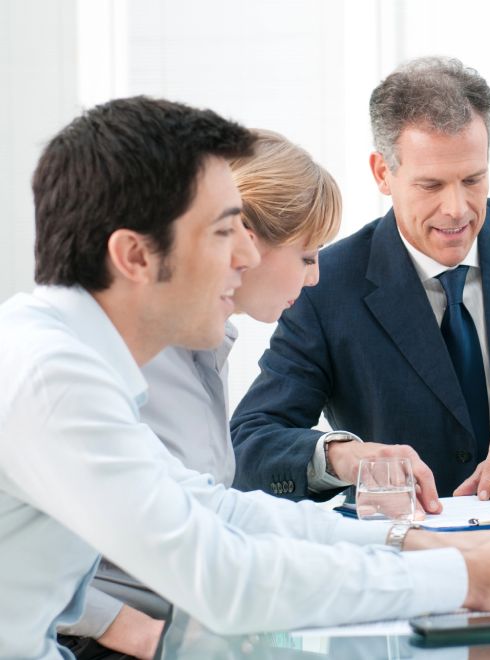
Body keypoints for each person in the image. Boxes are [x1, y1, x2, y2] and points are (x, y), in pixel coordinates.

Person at [0, 96, 490, 660]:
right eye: (222, 232)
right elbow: (226, 578)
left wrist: (424, 545)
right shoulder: (54, 380)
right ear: (134, 256)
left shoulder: (67, 359)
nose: (244, 257)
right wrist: (469, 576)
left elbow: (221, 512)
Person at [230, 56, 490, 503]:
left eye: (473, 179)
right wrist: (344, 457)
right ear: (383, 173)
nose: (457, 208)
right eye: (431, 185)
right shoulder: (326, 283)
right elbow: (250, 442)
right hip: (409, 550)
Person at [55, 129, 353, 658]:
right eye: (307, 256)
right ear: (246, 242)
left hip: (185, 622)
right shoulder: (122, 350)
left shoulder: (205, 344)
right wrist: (119, 625)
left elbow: (210, 511)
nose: (315, 279)